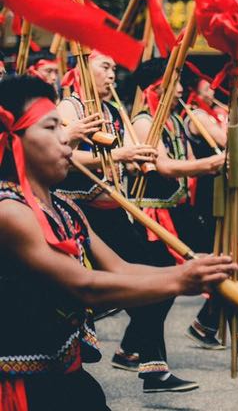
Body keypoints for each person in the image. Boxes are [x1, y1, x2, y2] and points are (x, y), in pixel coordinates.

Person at [0, 74, 237, 411]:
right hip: (19, 388)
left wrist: (196, 270)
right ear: (12, 139)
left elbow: (121, 268)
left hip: (64, 375)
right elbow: (86, 287)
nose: (67, 141)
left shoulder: (65, 208)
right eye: (52, 128)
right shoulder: (9, 211)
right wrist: (181, 281)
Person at [56, 52, 196, 392]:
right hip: (80, 214)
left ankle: (143, 357)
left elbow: (132, 154)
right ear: (82, 68)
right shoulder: (69, 108)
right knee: (139, 284)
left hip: (115, 213)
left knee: (159, 270)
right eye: (105, 65)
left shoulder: (115, 111)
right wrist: (118, 155)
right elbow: (63, 156)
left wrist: (139, 159)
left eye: (114, 66)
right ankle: (148, 364)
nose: (112, 72)